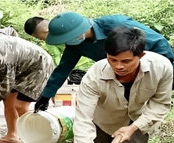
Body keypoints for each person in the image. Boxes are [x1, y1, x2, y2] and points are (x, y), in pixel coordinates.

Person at [34, 11, 174, 113]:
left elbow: (157, 42)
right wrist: (47, 94)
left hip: (146, 68)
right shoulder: (75, 44)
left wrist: (165, 70)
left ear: (78, 31)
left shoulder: (117, 24)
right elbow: (64, 68)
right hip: (119, 77)